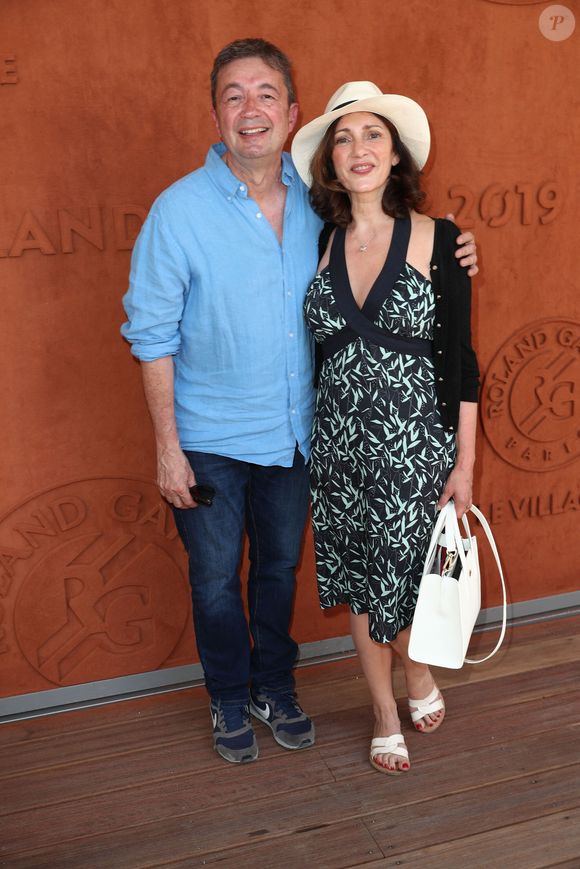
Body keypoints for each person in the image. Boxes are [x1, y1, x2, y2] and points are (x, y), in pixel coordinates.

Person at [121, 42, 478, 766]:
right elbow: (150, 333)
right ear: (216, 111)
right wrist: (167, 447)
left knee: (283, 573)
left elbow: (404, 257)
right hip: (214, 438)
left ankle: (275, 687)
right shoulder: (178, 211)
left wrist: (456, 252)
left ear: (290, 112)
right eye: (233, 95)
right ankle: (229, 695)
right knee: (217, 581)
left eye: (265, 95)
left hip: (300, 439)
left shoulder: (321, 207)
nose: (250, 110)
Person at [291, 81, 479, 775]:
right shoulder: (318, 241)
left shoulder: (444, 240)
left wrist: (464, 466)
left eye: (372, 134)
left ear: (396, 154)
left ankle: (419, 672)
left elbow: (462, 362)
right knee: (362, 580)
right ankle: (384, 709)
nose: (357, 148)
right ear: (330, 162)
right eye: (343, 138)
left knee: (400, 581)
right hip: (339, 449)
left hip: (414, 450)